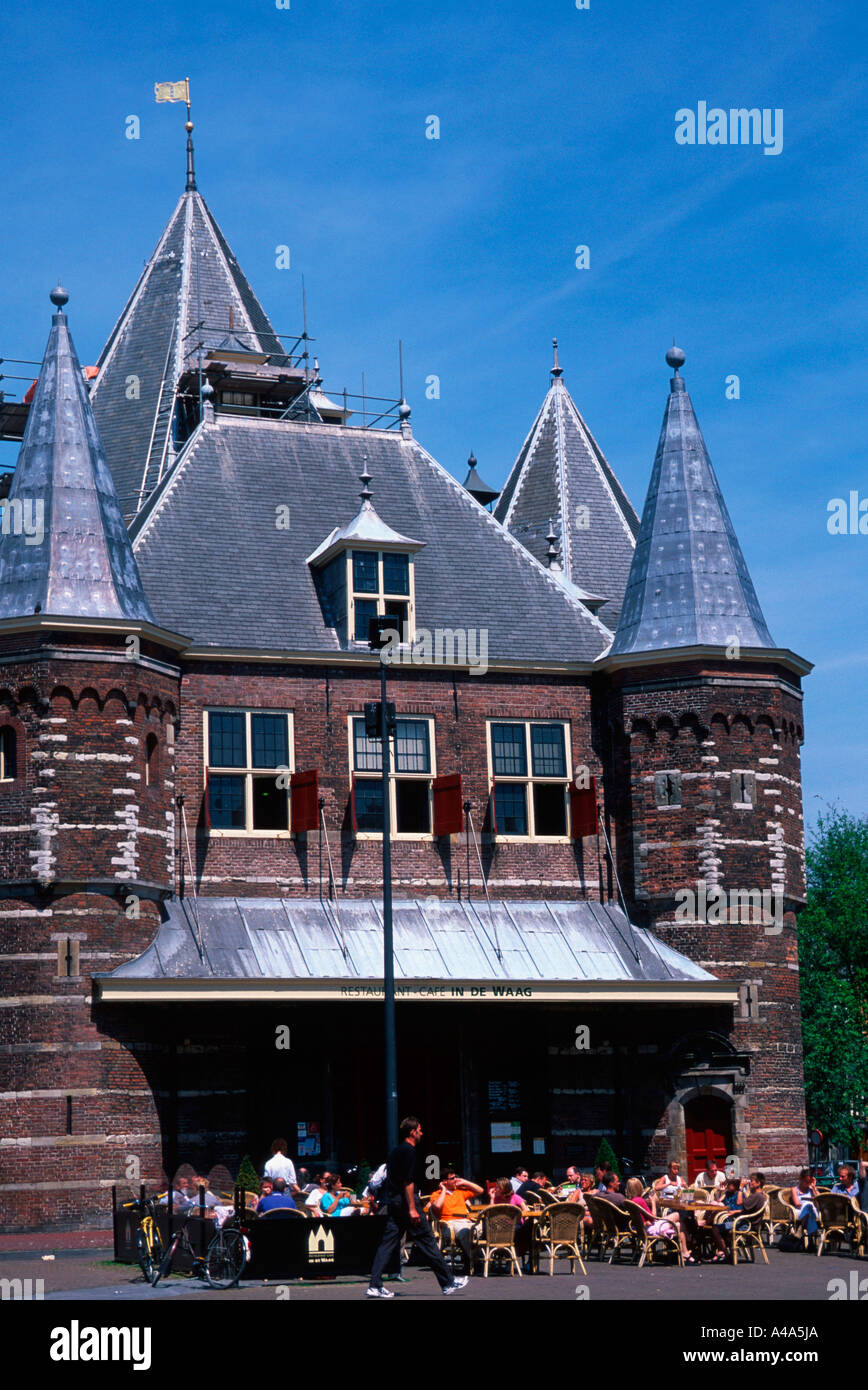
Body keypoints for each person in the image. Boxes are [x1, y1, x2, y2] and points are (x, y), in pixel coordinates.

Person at [367, 1117, 469, 1298]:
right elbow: (408, 1181)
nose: (421, 1133)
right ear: (412, 1132)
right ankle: (448, 1282)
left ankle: (375, 1285)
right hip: (406, 1203)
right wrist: (413, 1208)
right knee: (426, 1239)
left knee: (387, 1243)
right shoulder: (409, 1151)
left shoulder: (396, 1151)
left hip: (395, 1203)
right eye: (420, 1130)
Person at [624, 1177, 695, 1265]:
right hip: (651, 1229)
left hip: (643, 1229)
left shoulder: (630, 1201)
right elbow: (653, 1218)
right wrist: (653, 1202)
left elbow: (645, 1219)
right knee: (677, 1215)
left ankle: (684, 1254)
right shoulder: (640, 1200)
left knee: (679, 1225)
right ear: (639, 1188)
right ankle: (689, 1244)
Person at [428, 1169, 484, 1269]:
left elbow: (480, 1190)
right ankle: (475, 1260)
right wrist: (444, 1190)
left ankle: (474, 1259)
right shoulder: (436, 1194)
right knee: (465, 1232)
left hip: (467, 1221)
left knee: (482, 1228)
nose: (456, 1179)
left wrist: (465, 1182)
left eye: (455, 1177)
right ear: (444, 1181)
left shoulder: (459, 1192)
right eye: (452, 1178)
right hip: (449, 1224)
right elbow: (437, 1206)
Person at [705, 1172, 766, 1261]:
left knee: (715, 1228)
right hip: (745, 1221)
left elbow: (739, 1203)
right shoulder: (758, 1196)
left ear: (758, 1183)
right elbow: (747, 1210)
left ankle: (725, 1253)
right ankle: (722, 1252)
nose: (749, 1183)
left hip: (746, 1224)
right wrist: (736, 1211)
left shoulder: (756, 1196)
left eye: (751, 1181)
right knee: (720, 1224)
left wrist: (741, 1187)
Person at [790, 1168, 820, 1248]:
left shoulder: (811, 1189)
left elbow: (820, 1199)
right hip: (799, 1211)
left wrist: (813, 1187)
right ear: (801, 1179)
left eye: (809, 1182)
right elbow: (797, 1204)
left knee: (809, 1208)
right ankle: (810, 1239)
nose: (807, 1184)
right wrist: (806, 1203)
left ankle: (801, 1228)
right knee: (808, 1206)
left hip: (811, 1212)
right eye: (806, 1182)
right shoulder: (795, 1189)